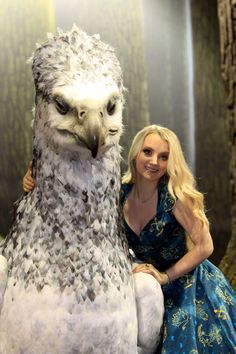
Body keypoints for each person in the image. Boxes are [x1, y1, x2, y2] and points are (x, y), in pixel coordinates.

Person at [23, 124, 236, 353]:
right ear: (135, 153)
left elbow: (205, 246)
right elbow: (76, 209)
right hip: (145, 279)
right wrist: (37, 182)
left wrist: (165, 276)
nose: (154, 161)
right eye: (148, 152)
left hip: (187, 283)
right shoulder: (120, 192)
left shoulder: (176, 197)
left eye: (163, 157)